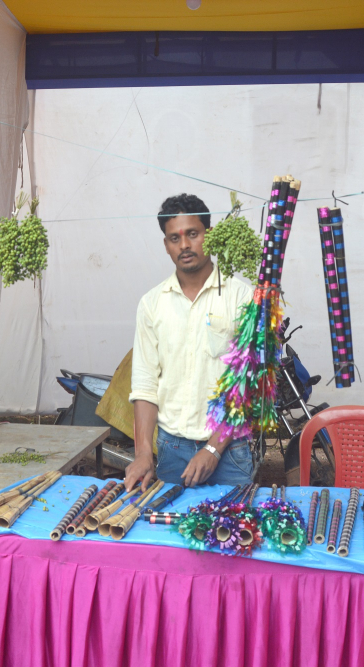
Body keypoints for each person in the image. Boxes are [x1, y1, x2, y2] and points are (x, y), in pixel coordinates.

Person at [125, 194, 254, 491]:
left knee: (232, 521)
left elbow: (247, 384)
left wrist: (213, 448)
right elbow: (145, 385)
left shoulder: (241, 296)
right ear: (166, 245)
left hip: (230, 451)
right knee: (168, 521)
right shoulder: (152, 304)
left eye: (193, 234)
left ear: (210, 234)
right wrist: (143, 453)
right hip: (171, 449)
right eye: (175, 238)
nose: (184, 245)